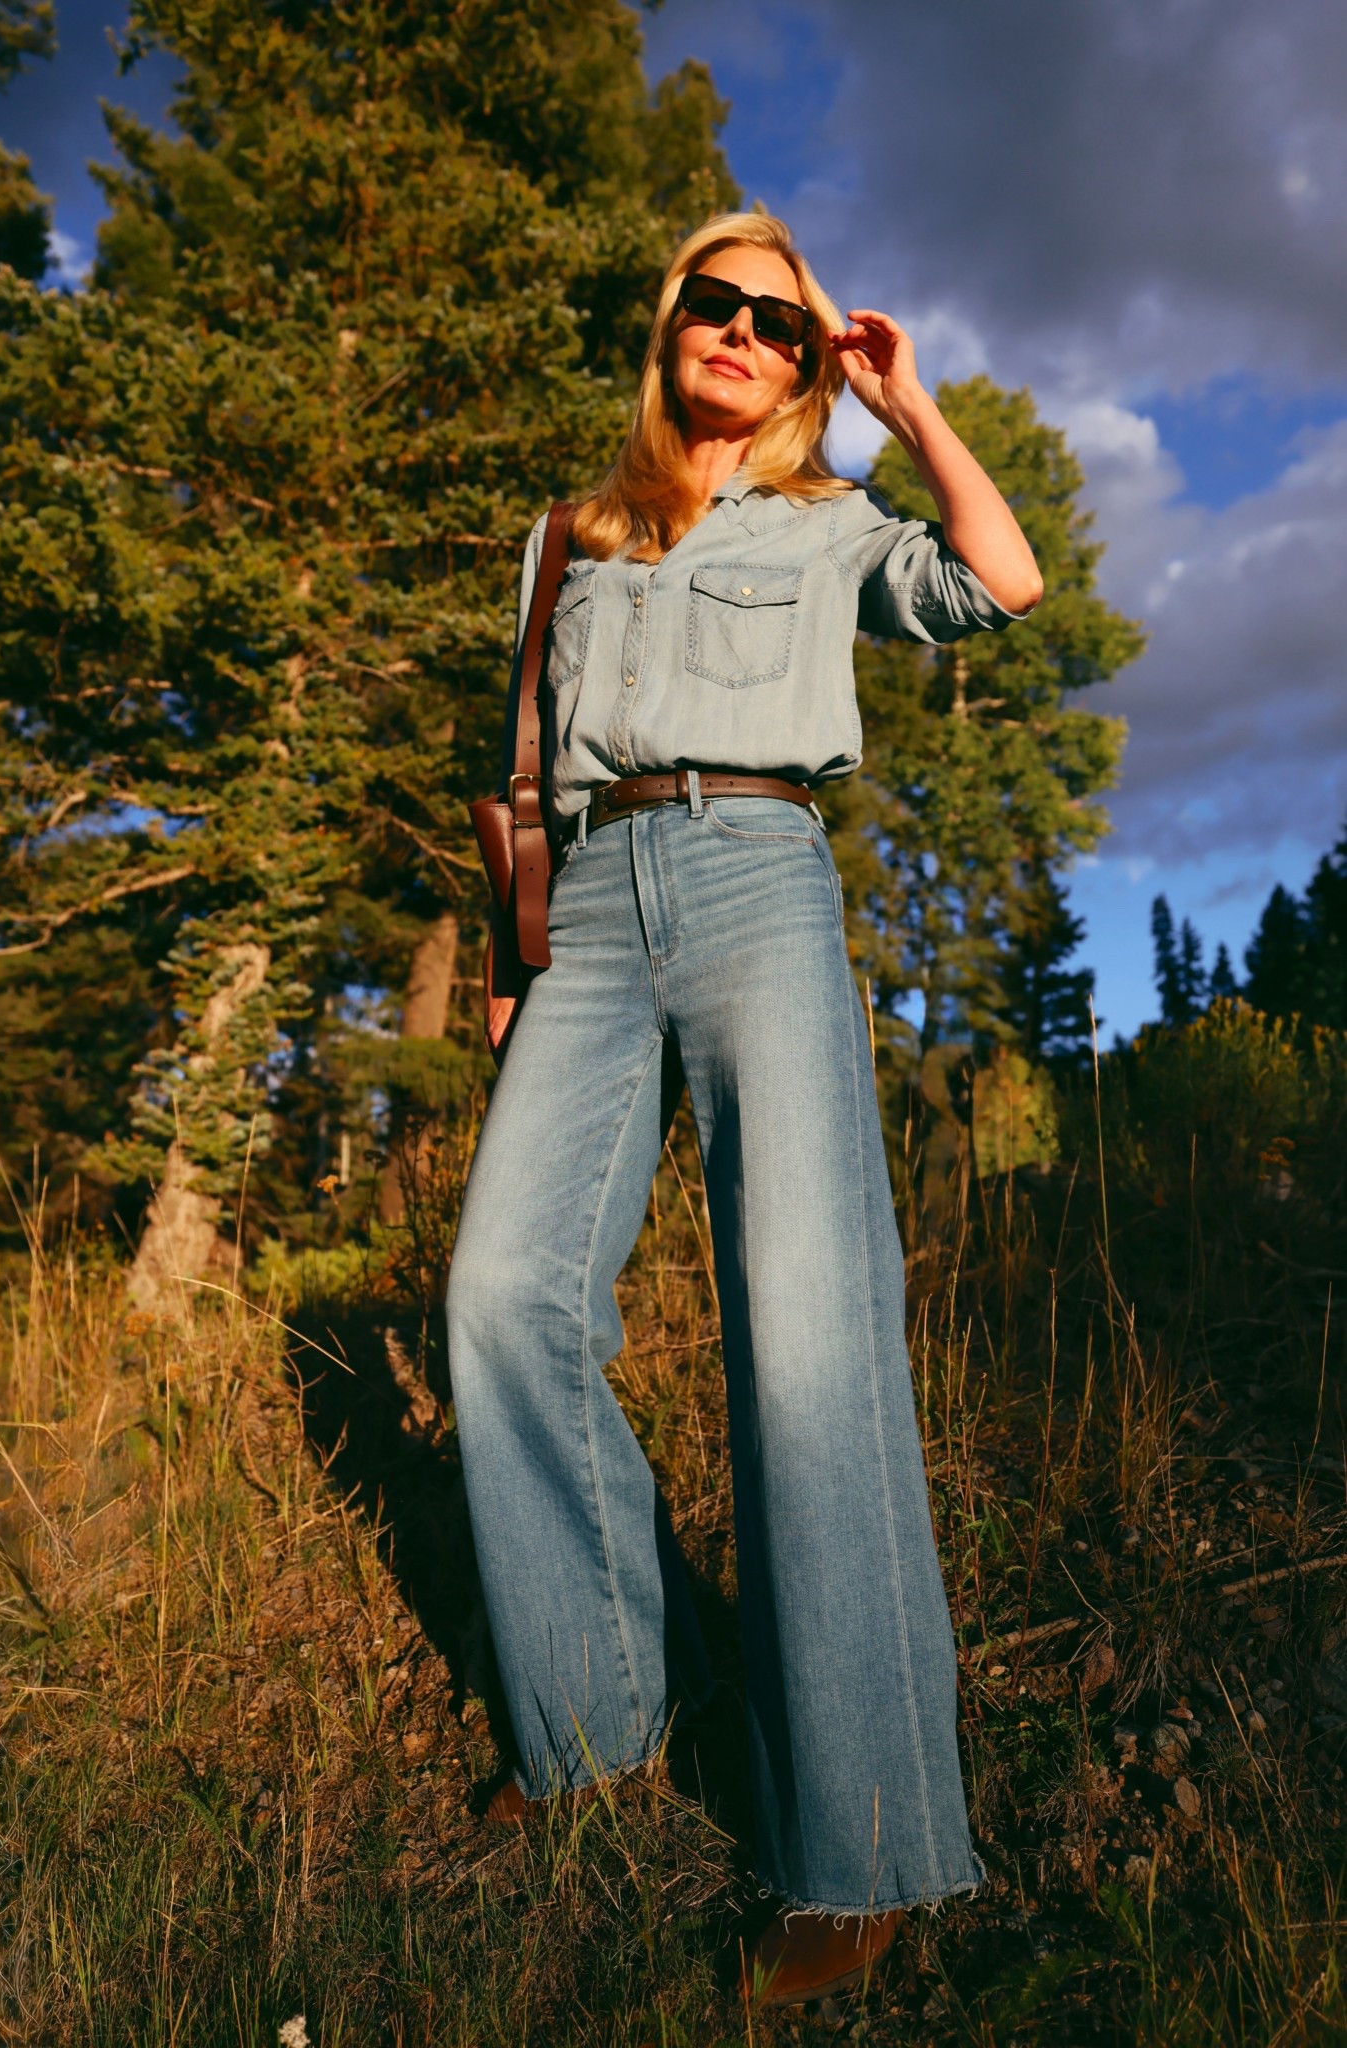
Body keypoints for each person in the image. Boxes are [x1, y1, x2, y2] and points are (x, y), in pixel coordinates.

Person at [444, 210, 1042, 2009]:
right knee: (500, 1299)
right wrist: (510, 958)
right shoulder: (571, 536)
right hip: (594, 919)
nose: (739, 333)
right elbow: (523, 767)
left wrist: (910, 408)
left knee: (805, 1343)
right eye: (711, 304)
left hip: (759, 876)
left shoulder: (825, 520)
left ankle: (861, 1848)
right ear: (667, 330)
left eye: (775, 322)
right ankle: (602, 1710)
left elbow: (1003, 582)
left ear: (804, 366)